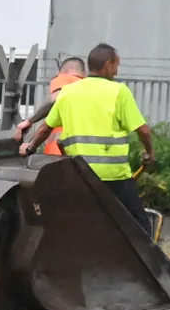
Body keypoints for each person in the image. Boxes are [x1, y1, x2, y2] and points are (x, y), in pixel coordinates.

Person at [21, 44, 156, 234]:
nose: (117, 71)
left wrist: (29, 149)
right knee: (138, 225)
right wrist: (150, 152)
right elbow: (143, 130)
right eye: (116, 65)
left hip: (79, 175)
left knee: (79, 225)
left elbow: (45, 128)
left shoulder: (68, 92)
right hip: (114, 176)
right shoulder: (119, 92)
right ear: (108, 64)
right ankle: (147, 262)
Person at [11, 56, 87, 154]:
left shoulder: (64, 78)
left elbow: (54, 98)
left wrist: (29, 121)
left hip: (59, 151)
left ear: (61, 72)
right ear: (84, 74)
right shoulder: (90, 88)